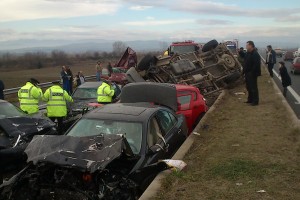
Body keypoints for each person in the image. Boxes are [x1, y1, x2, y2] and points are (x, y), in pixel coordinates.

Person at [243, 41, 261, 106]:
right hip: (247, 73)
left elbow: (256, 65)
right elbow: (245, 62)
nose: (246, 47)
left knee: (253, 87)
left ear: (251, 46)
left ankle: (255, 101)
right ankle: (250, 99)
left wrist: (251, 73)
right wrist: (244, 72)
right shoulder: (248, 53)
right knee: (248, 87)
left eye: (247, 45)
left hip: (252, 74)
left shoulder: (255, 54)